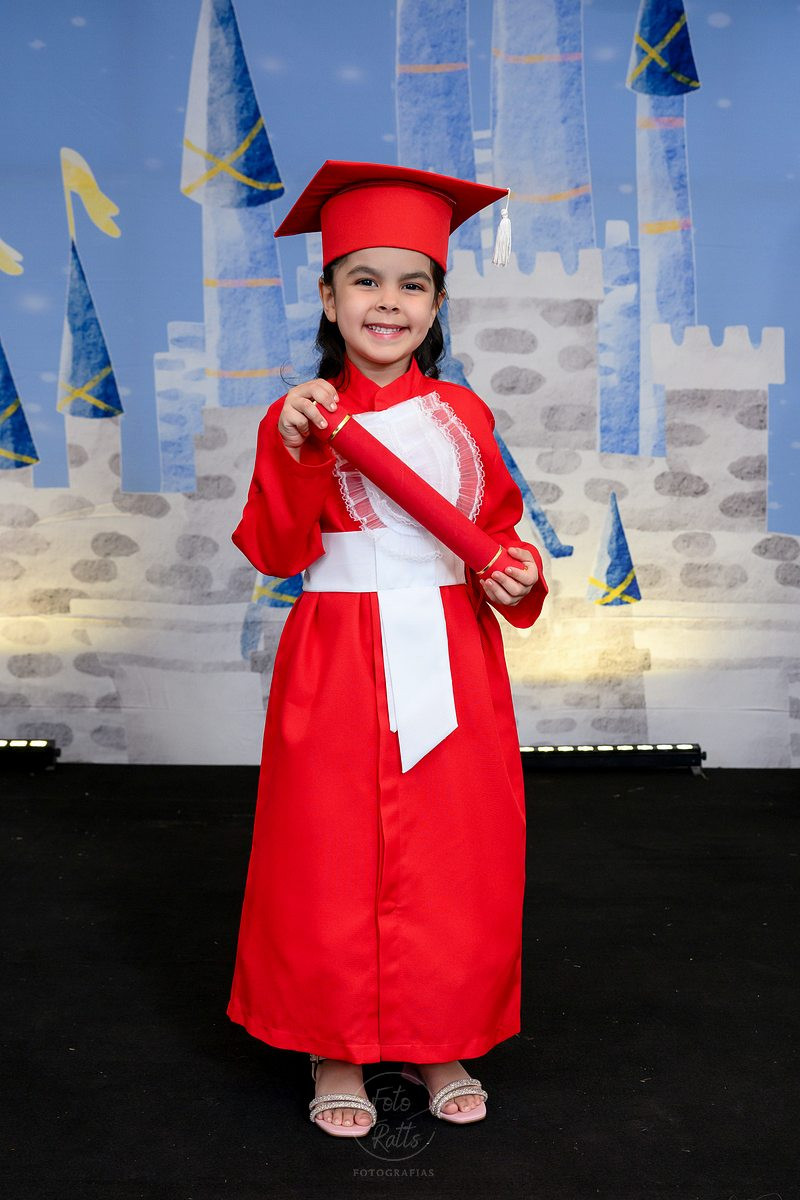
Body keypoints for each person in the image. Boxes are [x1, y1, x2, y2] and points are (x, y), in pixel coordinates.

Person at [227, 161, 549, 1137]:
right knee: (327, 851)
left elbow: (497, 528)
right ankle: (334, 1046)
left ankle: (437, 1032)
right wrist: (294, 450)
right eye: (364, 280)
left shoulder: (464, 416)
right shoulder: (300, 415)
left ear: (436, 303)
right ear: (328, 297)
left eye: (412, 284)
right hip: (338, 650)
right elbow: (276, 548)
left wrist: (518, 575)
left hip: (452, 647)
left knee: (457, 848)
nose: (388, 302)